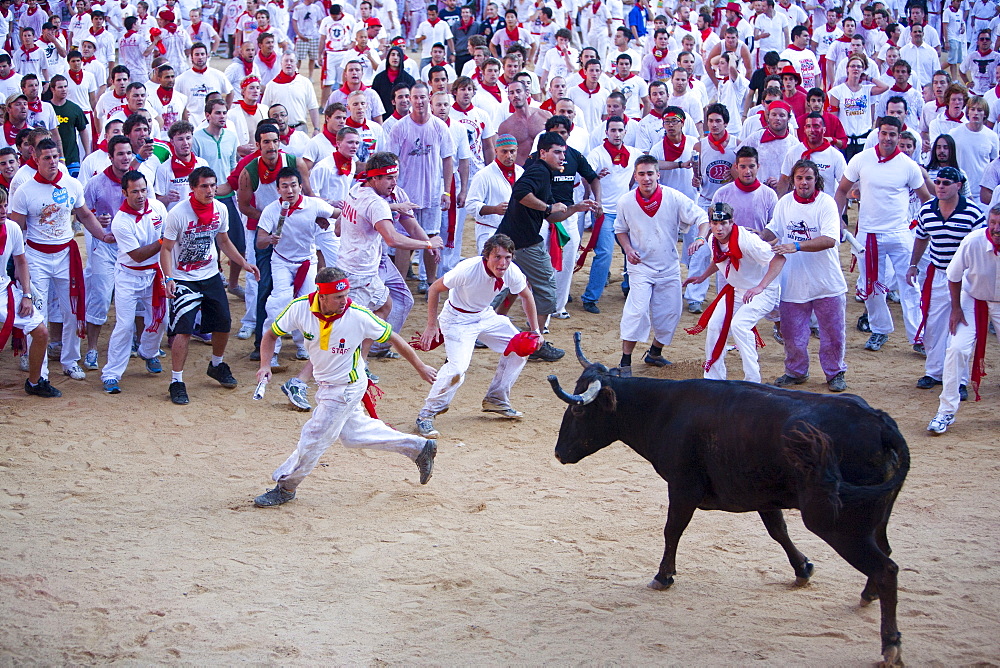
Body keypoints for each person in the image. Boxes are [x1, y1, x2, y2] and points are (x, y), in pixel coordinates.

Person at [252, 266, 438, 507]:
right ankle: (419, 447)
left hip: (346, 388)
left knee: (313, 436)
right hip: (327, 384)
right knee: (353, 435)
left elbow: (394, 338)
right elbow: (270, 335)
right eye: (338, 297)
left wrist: (421, 367)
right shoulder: (299, 308)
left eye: (346, 295)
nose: (345, 301)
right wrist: (265, 365)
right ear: (322, 295)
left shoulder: (358, 315)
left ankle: (286, 486)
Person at [416, 232, 540, 436]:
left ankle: (497, 398)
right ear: (486, 257)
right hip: (457, 319)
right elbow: (434, 289)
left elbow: (526, 295)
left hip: (484, 315)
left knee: (522, 346)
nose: (502, 263)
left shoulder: (512, 271)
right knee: (457, 369)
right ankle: (426, 414)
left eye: (507, 257)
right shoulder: (467, 269)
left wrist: (535, 331)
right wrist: (431, 325)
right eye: (497, 257)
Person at [159, 166, 260, 405]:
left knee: (223, 323)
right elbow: (166, 248)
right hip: (184, 278)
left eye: (213, 185)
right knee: (183, 329)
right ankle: (176, 380)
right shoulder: (178, 213)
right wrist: (169, 278)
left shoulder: (221, 209)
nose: (210, 190)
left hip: (210, 274)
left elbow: (223, 241)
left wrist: (243, 263)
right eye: (204, 186)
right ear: (192, 188)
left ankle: (216, 364)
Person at [10, 139, 107, 381]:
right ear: (36, 159)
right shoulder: (24, 191)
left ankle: (70, 360)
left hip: (65, 255)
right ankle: (40, 369)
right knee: (37, 313)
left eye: (56, 157)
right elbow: (15, 229)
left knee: (72, 311)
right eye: (47, 158)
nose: (53, 162)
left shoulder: (72, 185)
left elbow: (84, 214)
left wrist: (104, 236)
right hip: (36, 257)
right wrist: (15, 264)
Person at [496, 132, 597, 361]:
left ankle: (486, 330)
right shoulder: (540, 171)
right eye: (557, 152)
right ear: (543, 153)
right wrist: (548, 208)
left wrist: (574, 208)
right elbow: (520, 193)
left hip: (509, 238)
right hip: (525, 242)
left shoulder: (543, 173)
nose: (563, 157)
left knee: (508, 287)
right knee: (546, 289)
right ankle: (536, 342)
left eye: (564, 152)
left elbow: (551, 217)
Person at [835, 115, 932, 352]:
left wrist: (927, 228)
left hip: (900, 233)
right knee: (872, 286)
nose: (888, 138)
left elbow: (926, 199)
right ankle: (879, 330)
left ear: (899, 136)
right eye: (884, 133)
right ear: (878, 133)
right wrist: (838, 220)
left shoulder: (908, 166)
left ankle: (918, 336)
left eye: (893, 134)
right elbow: (841, 191)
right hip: (868, 234)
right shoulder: (861, 159)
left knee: (910, 285)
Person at [614, 154, 706, 377]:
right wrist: (627, 249)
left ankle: (654, 352)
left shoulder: (674, 197)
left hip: (668, 265)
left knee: (670, 312)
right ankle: (625, 361)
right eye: (641, 174)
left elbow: (701, 217)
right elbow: (620, 230)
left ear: (658, 174)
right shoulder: (625, 201)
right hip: (640, 266)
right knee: (636, 311)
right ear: (635, 176)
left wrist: (701, 238)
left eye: (650, 173)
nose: (646, 178)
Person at [763, 159, 849, 392]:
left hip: (826, 282)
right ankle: (796, 371)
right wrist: (754, 238)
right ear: (792, 180)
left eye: (808, 178)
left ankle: (835, 373)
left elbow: (830, 239)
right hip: (793, 281)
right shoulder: (784, 203)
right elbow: (775, 229)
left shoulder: (826, 203)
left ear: (816, 180)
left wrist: (796, 246)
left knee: (832, 334)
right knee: (792, 333)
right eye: (799, 178)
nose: (803, 182)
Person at [683, 202, 785, 384]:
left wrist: (760, 287)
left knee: (739, 325)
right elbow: (719, 260)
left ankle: (752, 381)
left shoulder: (747, 240)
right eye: (714, 223)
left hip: (763, 291)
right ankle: (713, 379)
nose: (719, 228)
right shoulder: (712, 239)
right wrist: (702, 277)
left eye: (724, 223)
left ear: (732, 223)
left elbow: (778, 259)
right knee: (715, 325)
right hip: (737, 290)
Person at [908, 166, 982, 398]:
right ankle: (934, 371)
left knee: (961, 329)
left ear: (958, 186)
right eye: (938, 182)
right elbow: (921, 238)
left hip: (968, 279)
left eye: (946, 183)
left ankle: (959, 380)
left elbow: (980, 245)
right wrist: (913, 264)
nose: (940, 186)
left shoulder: (973, 212)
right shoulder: (927, 211)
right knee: (934, 325)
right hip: (940, 274)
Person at [926, 206, 1000, 434]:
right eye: (993, 222)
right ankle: (945, 412)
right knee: (956, 349)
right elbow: (954, 275)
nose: (996, 229)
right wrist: (956, 308)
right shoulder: (973, 241)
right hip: (972, 298)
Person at [257, 167, 339, 366]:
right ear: (278, 189)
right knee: (279, 303)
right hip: (282, 262)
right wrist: (269, 238)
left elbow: (339, 214)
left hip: (307, 261)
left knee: (311, 305)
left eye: (293, 185)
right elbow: (259, 241)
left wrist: (329, 220)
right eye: (284, 186)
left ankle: (303, 344)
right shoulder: (271, 210)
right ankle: (272, 350)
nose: (290, 190)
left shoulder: (314, 205)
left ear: (300, 187)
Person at [100, 170, 169, 393]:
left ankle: (148, 352)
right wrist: (164, 240)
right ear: (124, 193)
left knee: (162, 318)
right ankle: (111, 374)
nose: (140, 195)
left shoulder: (157, 207)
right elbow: (138, 255)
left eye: (143, 190)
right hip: (128, 276)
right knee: (125, 324)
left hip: (154, 274)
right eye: (135, 191)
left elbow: (169, 233)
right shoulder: (121, 221)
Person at [386, 81, 455, 291]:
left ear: (429, 98)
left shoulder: (440, 127)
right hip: (407, 196)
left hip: (433, 194)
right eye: (414, 97)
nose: (418, 101)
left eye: (422, 97)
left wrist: (446, 191)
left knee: (432, 236)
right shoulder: (400, 128)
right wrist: (393, 193)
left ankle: (431, 282)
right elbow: (391, 161)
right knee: (404, 241)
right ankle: (400, 285)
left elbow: (448, 159)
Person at [0, 187, 60, 397]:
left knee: (41, 332)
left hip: (3, 289)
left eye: (4, 205)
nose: (2, 210)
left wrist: (26, 294)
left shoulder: (13, 229)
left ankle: (34, 382)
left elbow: (21, 261)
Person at [580, 116, 638, 315]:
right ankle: (590, 297)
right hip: (604, 212)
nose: (617, 134)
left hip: (624, 213)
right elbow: (586, 175)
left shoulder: (632, 153)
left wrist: (681, 165)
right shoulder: (597, 154)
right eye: (613, 130)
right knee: (604, 253)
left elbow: (653, 163)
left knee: (630, 252)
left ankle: (629, 286)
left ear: (625, 132)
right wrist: (596, 178)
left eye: (620, 130)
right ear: (606, 132)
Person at [467, 133, 520, 252]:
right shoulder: (483, 175)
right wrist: (494, 209)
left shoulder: (521, 172)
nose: (509, 156)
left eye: (512, 151)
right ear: (496, 151)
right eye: (504, 151)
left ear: (517, 150)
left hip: (516, 231)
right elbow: (470, 205)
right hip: (490, 231)